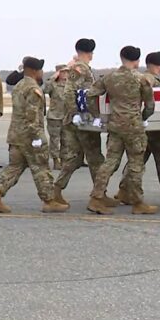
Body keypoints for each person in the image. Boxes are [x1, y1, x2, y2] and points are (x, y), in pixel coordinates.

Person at [0, 57, 68, 214]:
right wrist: (38, 139)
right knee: (41, 168)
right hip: (29, 138)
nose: (42, 73)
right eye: (40, 70)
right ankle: (49, 201)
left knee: (14, 168)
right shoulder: (32, 89)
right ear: (34, 71)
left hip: (16, 136)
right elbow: (33, 118)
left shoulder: (19, 86)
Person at [83, 46, 157, 215]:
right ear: (137, 60)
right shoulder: (141, 79)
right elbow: (150, 105)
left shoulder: (109, 77)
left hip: (115, 126)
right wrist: (143, 117)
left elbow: (90, 95)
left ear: (122, 57)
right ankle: (138, 202)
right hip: (134, 127)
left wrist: (97, 115)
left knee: (110, 162)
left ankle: (96, 197)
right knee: (136, 164)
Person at [53, 38, 108, 206]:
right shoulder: (80, 68)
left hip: (79, 119)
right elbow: (70, 92)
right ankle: (99, 195)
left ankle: (56, 190)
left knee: (76, 159)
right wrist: (76, 113)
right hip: (82, 121)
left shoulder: (79, 67)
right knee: (95, 158)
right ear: (89, 52)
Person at [117, 51, 160, 202]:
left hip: (141, 127)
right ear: (159, 65)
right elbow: (151, 105)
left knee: (138, 160)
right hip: (154, 127)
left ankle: (124, 189)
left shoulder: (140, 77)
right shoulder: (150, 80)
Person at [42, 64, 67, 170]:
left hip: (66, 117)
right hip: (55, 117)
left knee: (66, 140)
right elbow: (45, 89)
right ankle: (56, 160)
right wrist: (53, 77)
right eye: (63, 71)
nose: (66, 74)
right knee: (55, 140)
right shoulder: (53, 84)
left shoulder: (69, 84)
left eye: (67, 72)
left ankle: (64, 160)